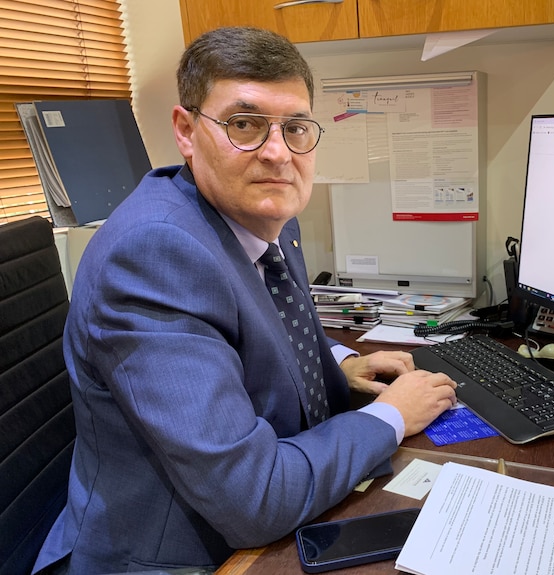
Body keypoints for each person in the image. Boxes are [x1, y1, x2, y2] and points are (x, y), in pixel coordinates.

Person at [32, 26, 457, 575]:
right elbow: (253, 498)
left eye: (296, 127)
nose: (278, 153)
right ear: (186, 131)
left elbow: (253, 321)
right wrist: (390, 417)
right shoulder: (153, 254)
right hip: (180, 555)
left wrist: (340, 361)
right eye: (245, 125)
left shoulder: (261, 216)